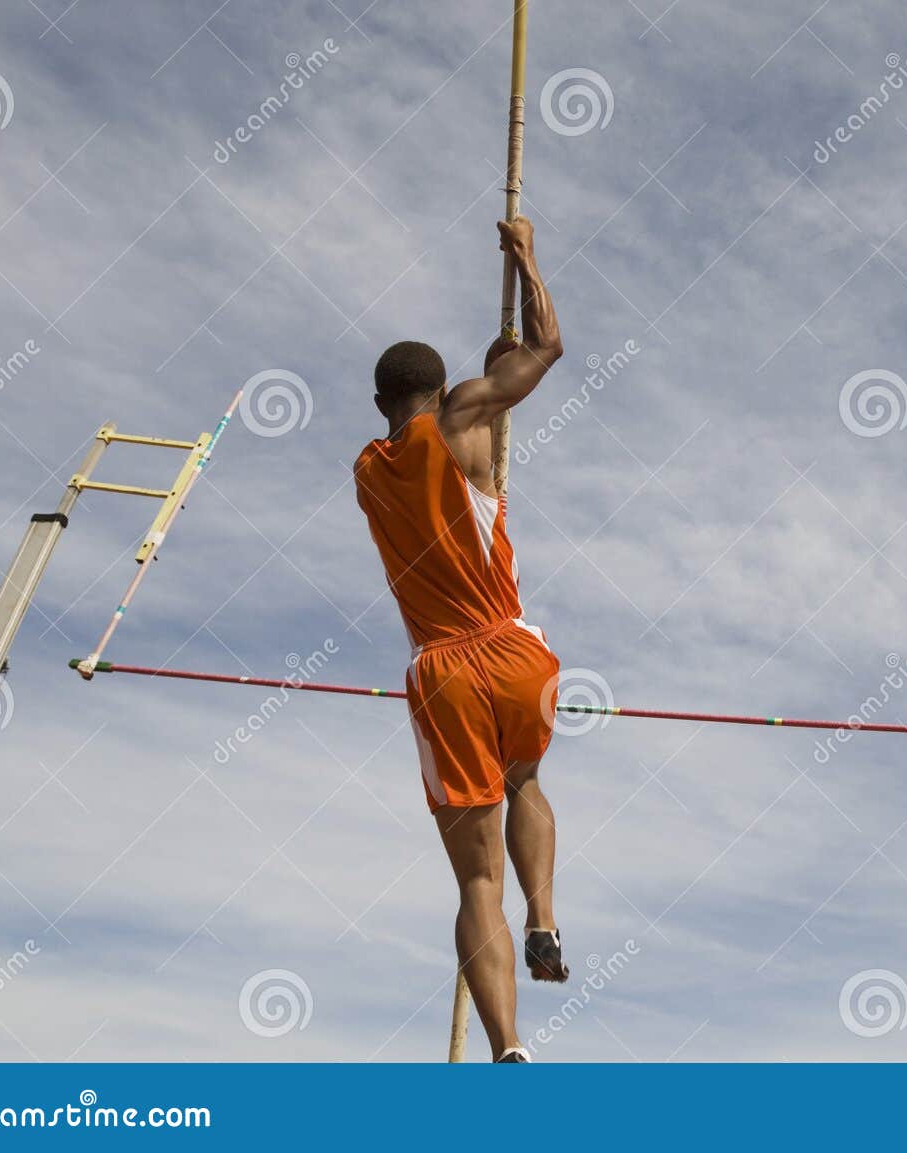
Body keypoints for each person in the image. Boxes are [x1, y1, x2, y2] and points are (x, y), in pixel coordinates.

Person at [353, 218, 566, 1063]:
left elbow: (446, 433)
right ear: (447, 389)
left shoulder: (367, 469)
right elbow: (547, 348)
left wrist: (483, 381)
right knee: (528, 783)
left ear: (381, 405)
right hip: (514, 650)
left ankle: (508, 1045)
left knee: (475, 879)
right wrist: (527, 259)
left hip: (442, 667)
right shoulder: (469, 420)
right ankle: (545, 915)